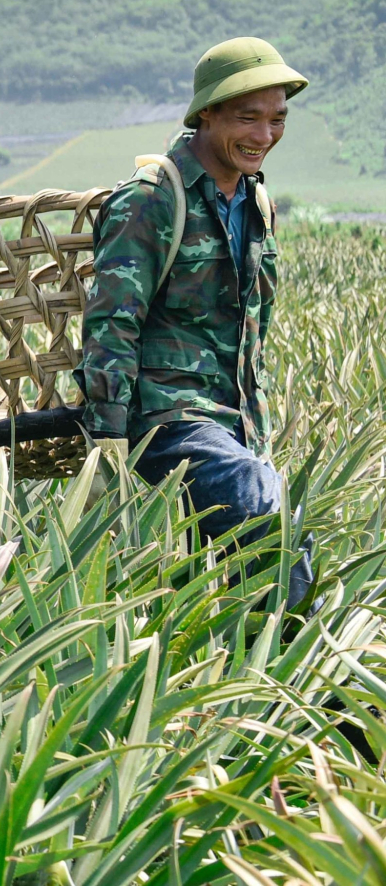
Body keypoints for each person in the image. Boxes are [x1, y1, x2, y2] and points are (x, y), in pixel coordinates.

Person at [80, 36, 313, 611]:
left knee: (223, 580)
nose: (264, 136)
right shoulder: (153, 198)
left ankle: (254, 685)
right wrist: (108, 437)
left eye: (277, 119)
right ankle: (304, 671)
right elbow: (112, 318)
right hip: (167, 416)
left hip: (232, 422)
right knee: (267, 514)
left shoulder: (255, 204)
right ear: (206, 113)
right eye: (247, 118)